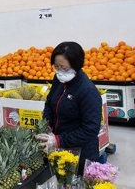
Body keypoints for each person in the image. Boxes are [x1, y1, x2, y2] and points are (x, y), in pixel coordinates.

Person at [37, 41, 102, 175]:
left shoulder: (87, 91)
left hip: (82, 154)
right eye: (56, 67)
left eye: (64, 68)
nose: (60, 72)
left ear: (76, 66)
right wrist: (47, 123)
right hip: (59, 149)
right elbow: (49, 102)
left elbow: (90, 129)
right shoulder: (59, 80)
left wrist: (59, 140)